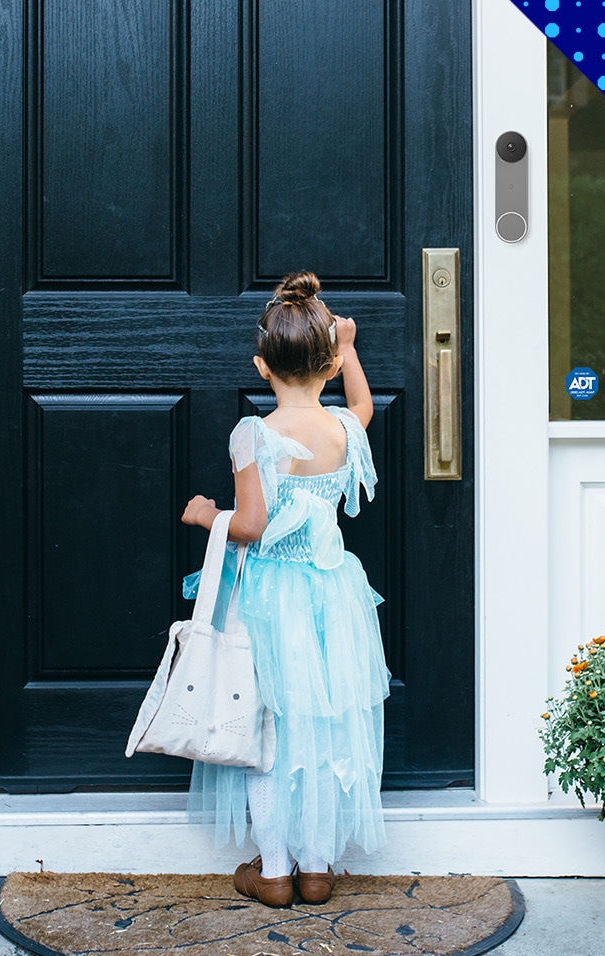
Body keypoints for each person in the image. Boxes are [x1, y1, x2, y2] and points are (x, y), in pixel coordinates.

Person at [180, 270, 390, 907]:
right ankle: (319, 868)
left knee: (266, 730)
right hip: (331, 597)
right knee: (322, 728)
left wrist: (204, 515)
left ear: (261, 365)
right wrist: (351, 349)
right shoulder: (341, 432)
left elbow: (250, 525)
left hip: (268, 601)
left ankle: (273, 870)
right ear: (327, 363)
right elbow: (364, 408)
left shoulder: (254, 435)